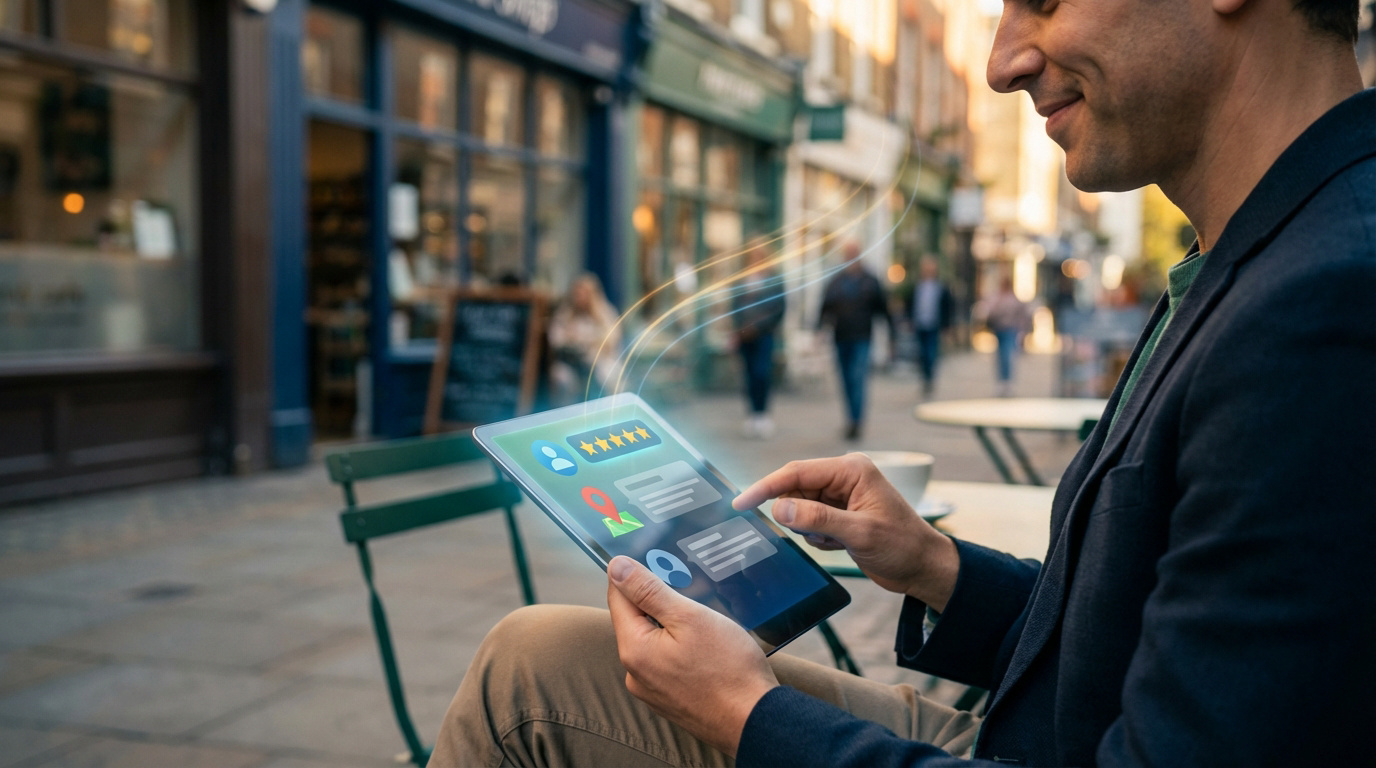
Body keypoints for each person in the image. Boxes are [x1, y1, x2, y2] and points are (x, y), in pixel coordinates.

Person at [431, 1, 1375, 765]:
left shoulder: (1325, 308)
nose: (1004, 61)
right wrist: (934, 565)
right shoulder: (1258, 255)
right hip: (1051, 725)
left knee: (526, 687)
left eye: (1042, 2)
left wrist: (746, 717)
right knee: (536, 654)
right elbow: (1137, 640)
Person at [817, 242, 892, 440]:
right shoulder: (837, 281)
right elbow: (825, 307)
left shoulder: (870, 281)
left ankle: (856, 421)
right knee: (846, 381)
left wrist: (892, 336)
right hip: (841, 338)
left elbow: (883, 310)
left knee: (857, 378)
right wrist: (819, 329)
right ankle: (850, 417)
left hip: (862, 338)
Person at [731, 239, 786, 439]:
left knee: (762, 373)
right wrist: (739, 328)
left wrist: (760, 326)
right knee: (748, 375)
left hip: (764, 335)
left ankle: (762, 413)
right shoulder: (742, 279)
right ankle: (752, 413)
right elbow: (735, 305)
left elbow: (779, 307)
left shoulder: (773, 279)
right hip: (745, 336)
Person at [546, 272, 621, 405]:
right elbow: (556, 341)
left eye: (585, 293)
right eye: (577, 293)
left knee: (606, 376)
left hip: (599, 361)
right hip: (571, 363)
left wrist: (584, 340)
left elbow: (611, 341)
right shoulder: (565, 314)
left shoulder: (605, 314)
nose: (580, 297)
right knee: (561, 378)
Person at [908, 256, 956, 398]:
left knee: (930, 353)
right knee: (922, 353)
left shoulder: (941, 287)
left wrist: (947, 327)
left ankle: (929, 378)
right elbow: (911, 304)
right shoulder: (917, 286)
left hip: (934, 325)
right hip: (920, 324)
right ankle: (925, 378)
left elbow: (948, 307)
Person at [982, 277, 1031, 397]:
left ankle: (1006, 382)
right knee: (1002, 356)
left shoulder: (1012, 299)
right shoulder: (998, 297)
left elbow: (1022, 314)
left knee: (1006, 355)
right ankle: (1003, 382)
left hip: (1010, 330)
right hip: (999, 330)